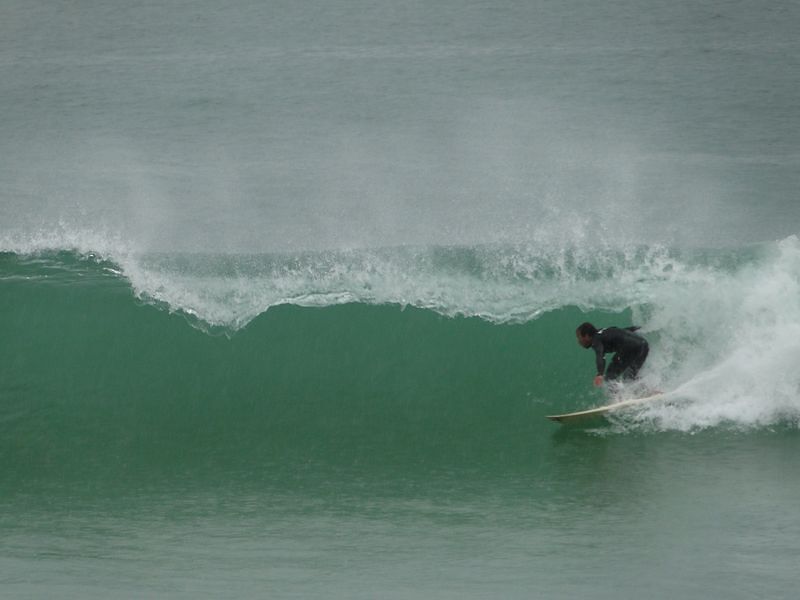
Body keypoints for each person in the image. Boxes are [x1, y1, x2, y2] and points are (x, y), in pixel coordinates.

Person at [576, 322, 649, 387]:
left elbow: (600, 355)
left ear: (586, 336)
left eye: (579, 337)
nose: (579, 341)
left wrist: (600, 374)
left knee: (609, 378)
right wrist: (641, 328)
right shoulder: (605, 332)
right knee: (630, 376)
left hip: (630, 348)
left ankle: (621, 396)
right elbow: (622, 331)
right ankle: (648, 387)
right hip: (643, 345)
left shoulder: (596, 340)